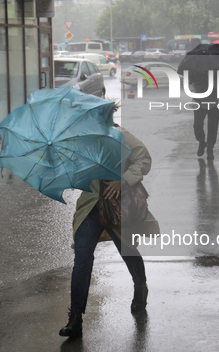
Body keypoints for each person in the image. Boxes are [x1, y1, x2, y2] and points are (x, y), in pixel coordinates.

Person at [59, 126, 159, 338]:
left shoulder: (119, 135)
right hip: (90, 207)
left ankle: (140, 286)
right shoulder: (80, 141)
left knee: (128, 251)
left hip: (117, 207)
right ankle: (75, 318)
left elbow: (143, 159)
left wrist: (124, 180)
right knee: (82, 259)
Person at [193, 71, 219, 161]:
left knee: (213, 126)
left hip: (214, 101)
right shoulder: (195, 69)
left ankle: (210, 148)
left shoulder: (217, 70)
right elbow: (190, 84)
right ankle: (201, 142)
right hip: (199, 101)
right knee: (197, 125)